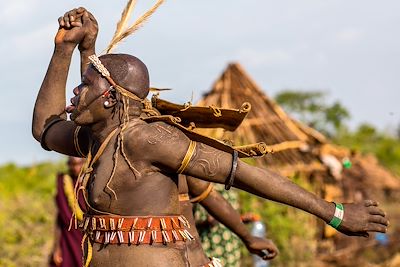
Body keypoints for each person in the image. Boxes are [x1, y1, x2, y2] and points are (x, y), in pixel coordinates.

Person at [32, 7, 389, 267]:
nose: (73, 94)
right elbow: (44, 129)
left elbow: (242, 173)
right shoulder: (99, 142)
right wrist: (65, 48)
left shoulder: (147, 140)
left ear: (109, 96)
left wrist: (335, 213)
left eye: (83, 87)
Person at [50, 156, 85, 267]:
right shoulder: (63, 181)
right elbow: (60, 218)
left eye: (79, 164)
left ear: (84, 163)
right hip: (68, 237)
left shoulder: (90, 182)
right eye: (72, 164)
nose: (75, 168)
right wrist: (56, 247)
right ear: (68, 164)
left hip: (87, 235)